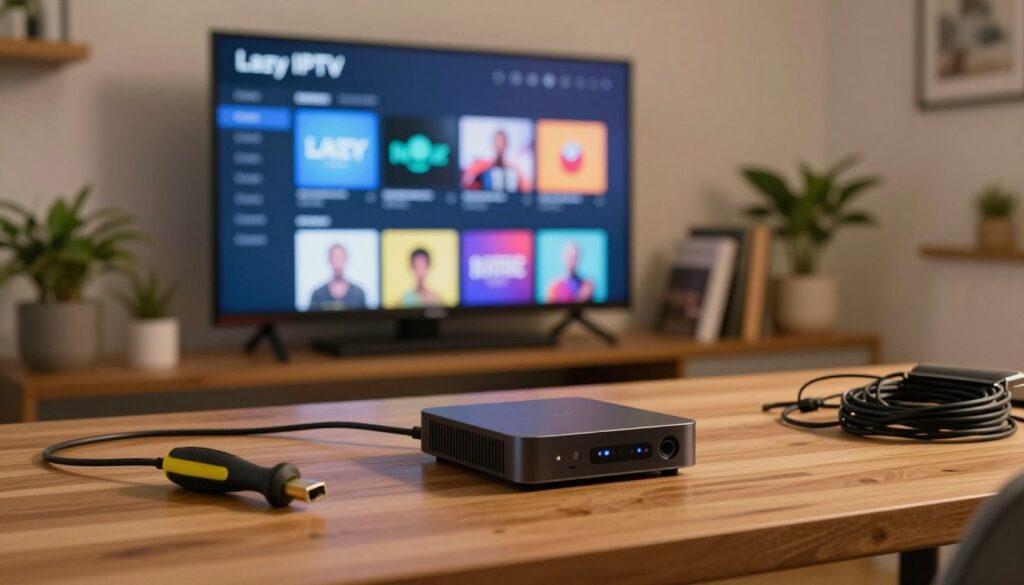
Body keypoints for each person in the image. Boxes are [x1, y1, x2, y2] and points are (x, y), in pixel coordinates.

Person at [460, 129, 532, 192]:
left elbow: (527, 188)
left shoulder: (514, 169)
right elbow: (467, 181)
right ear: (493, 143)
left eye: (502, 141)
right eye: (497, 141)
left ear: (506, 144)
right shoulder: (483, 166)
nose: (499, 144)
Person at [309, 244, 367, 310]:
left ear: (346, 260)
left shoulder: (358, 293)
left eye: (340, 258)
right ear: (329, 261)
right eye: (335, 258)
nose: (338, 263)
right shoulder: (318, 294)